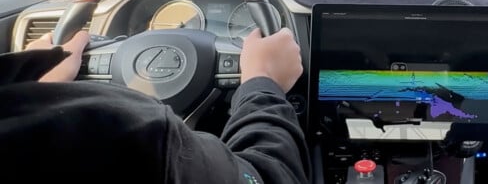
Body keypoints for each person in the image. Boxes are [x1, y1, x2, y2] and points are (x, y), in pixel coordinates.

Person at [0, 27, 309, 183]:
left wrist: (41, 94)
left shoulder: (23, 117)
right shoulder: (134, 134)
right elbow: (266, 175)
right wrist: (260, 77)